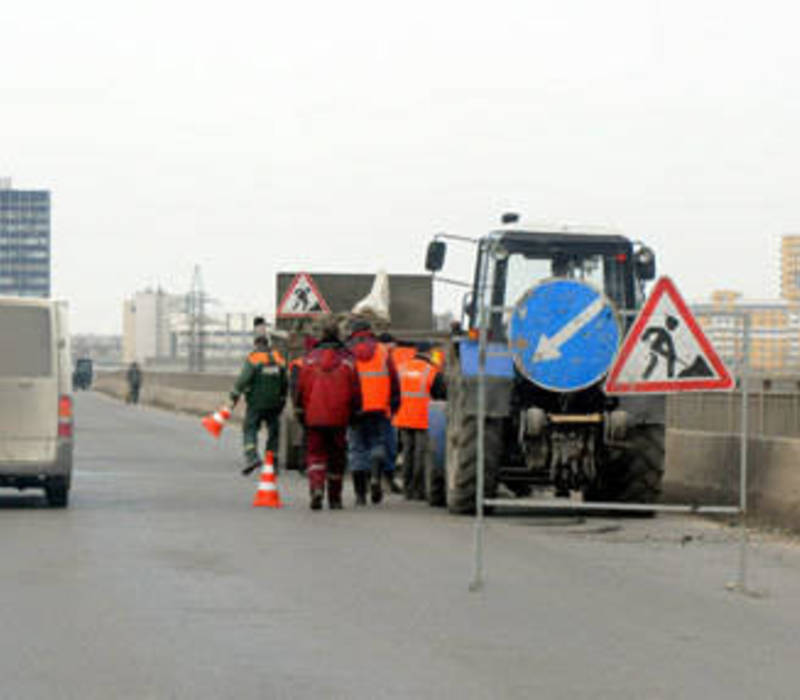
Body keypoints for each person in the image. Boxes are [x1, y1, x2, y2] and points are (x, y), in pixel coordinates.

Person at [294, 321, 361, 510]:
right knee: (337, 456)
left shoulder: (308, 360)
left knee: (315, 455)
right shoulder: (348, 361)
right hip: (339, 416)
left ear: (321, 335)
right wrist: (355, 411)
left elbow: (301, 389)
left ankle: (316, 488)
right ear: (339, 335)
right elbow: (355, 390)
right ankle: (334, 498)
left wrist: (301, 411)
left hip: (314, 415)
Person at [347, 319, 400, 506]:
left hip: (356, 410)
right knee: (378, 443)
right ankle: (376, 478)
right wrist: (394, 404)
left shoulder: (348, 353)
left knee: (357, 450)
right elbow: (394, 379)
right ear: (370, 332)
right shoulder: (383, 351)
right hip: (380, 408)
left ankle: (360, 495)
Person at [394, 343, 447, 500]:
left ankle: (407, 489)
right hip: (422, 419)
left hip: (403, 417)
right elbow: (440, 397)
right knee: (420, 455)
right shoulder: (431, 371)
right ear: (429, 353)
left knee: (407, 453)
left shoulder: (401, 368)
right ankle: (418, 490)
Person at [230, 334, 288, 476]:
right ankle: (272, 464)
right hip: (274, 404)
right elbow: (285, 381)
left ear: (256, 344)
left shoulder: (254, 358)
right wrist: (282, 399)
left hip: (256, 403)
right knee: (273, 433)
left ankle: (252, 457)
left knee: (250, 429)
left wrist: (234, 396)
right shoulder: (278, 358)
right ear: (267, 344)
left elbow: (243, 380)